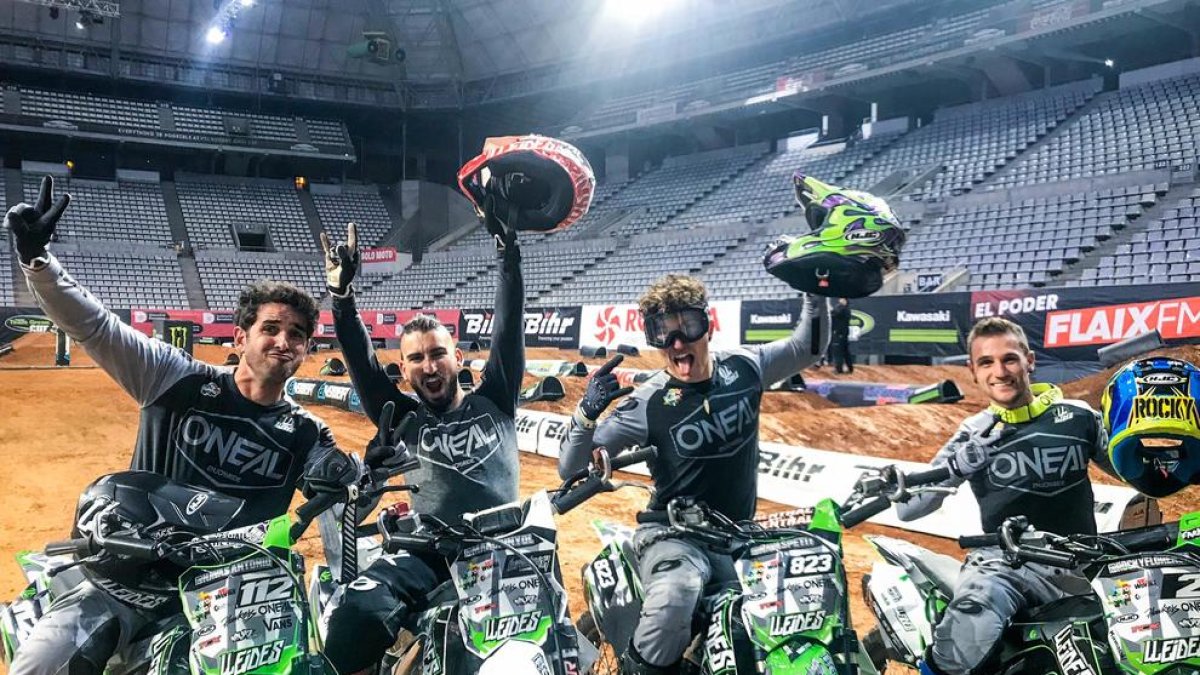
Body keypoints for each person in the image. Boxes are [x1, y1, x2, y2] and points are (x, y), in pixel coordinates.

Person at [5, 176, 366, 675]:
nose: (285, 341)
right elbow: (95, 326)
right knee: (42, 665)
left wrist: (358, 477)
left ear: (307, 350)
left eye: (298, 335)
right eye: (271, 328)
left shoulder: (307, 432)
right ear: (239, 337)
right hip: (126, 578)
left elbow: (336, 488)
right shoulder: (174, 377)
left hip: (231, 604)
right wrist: (38, 261)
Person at [559, 274, 829, 674]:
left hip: (740, 537)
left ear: (709, 325)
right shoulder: (647, 402)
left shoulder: (746, 367)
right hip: (673, 537)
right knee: (676, 594)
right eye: (662, 333)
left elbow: (808, 347)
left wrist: (816, 287)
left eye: (686, 327)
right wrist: (586, 412)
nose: (677, 343)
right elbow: (570, 466)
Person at [318, 220, 526, 673]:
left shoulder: (496, 398)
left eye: (437, 353)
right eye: (416, 358)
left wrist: (507, 252)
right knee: (353, 614)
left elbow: (509, 328)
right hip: (425, 554)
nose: (429, 366)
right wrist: (342, 299)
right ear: (405, 368)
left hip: (502, 552)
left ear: (458, 358)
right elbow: (362, 363)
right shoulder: (400, 415)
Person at [894, 317, 1117, 675]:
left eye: (1009, 358)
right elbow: (908, 510)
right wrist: (956, 468)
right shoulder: (974, 433)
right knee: (975, 614)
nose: (1000, 371)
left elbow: (1133, 471)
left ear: (1029, 360)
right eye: (986, 362)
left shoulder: (1080, 417)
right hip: (1005, 566)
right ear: (973, 370)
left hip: (1082, 561)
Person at [830, 297, 853, 374]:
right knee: (845, 351)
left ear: (846, 301)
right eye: (840, 299)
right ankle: (850, 368)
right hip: (843, 332)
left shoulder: (843, 309)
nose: (840, 301)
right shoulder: (843, 309)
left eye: (843, 299)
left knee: (838, 351)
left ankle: (839, 369)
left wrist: (833, 309)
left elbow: (835, 313)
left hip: (840, 332)